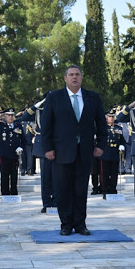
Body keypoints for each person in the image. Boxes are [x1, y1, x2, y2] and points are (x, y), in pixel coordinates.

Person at [41, 65, 106, 236]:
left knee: (80, 189)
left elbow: (101, 124)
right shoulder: (54, 97)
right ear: (65, 78)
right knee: (63, 189)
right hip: (61, 151)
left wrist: (101, 145)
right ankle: (66, 224)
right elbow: (46, 125)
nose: (74, 77)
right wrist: (47, 148)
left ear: (81, 77)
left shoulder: (93, 97)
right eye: (71, 75)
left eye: (77, 74)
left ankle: (80, 223)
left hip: (85, 151)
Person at [0, 108, 26, 195]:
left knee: (14, 175)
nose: (10, 117)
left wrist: (21, 147)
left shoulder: (18, 126)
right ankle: (5, 193)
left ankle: (14, 192)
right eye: (8, 115)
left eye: (12, 115)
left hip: (14, 154)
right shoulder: (0, 126)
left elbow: (24, 140)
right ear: (5, 117)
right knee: (4, 175)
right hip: (4, 154)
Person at [96, 110, 126, 198]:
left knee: (114, 173)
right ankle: (104, 190)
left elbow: (122, 140)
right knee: (104, 173)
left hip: (115, 152)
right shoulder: (103, 127)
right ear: (106, 117)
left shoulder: (118, 128)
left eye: (112, 117)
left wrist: (122, 145)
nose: (111, 118)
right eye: (109, 117)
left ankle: (113, 189)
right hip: (105, 152)